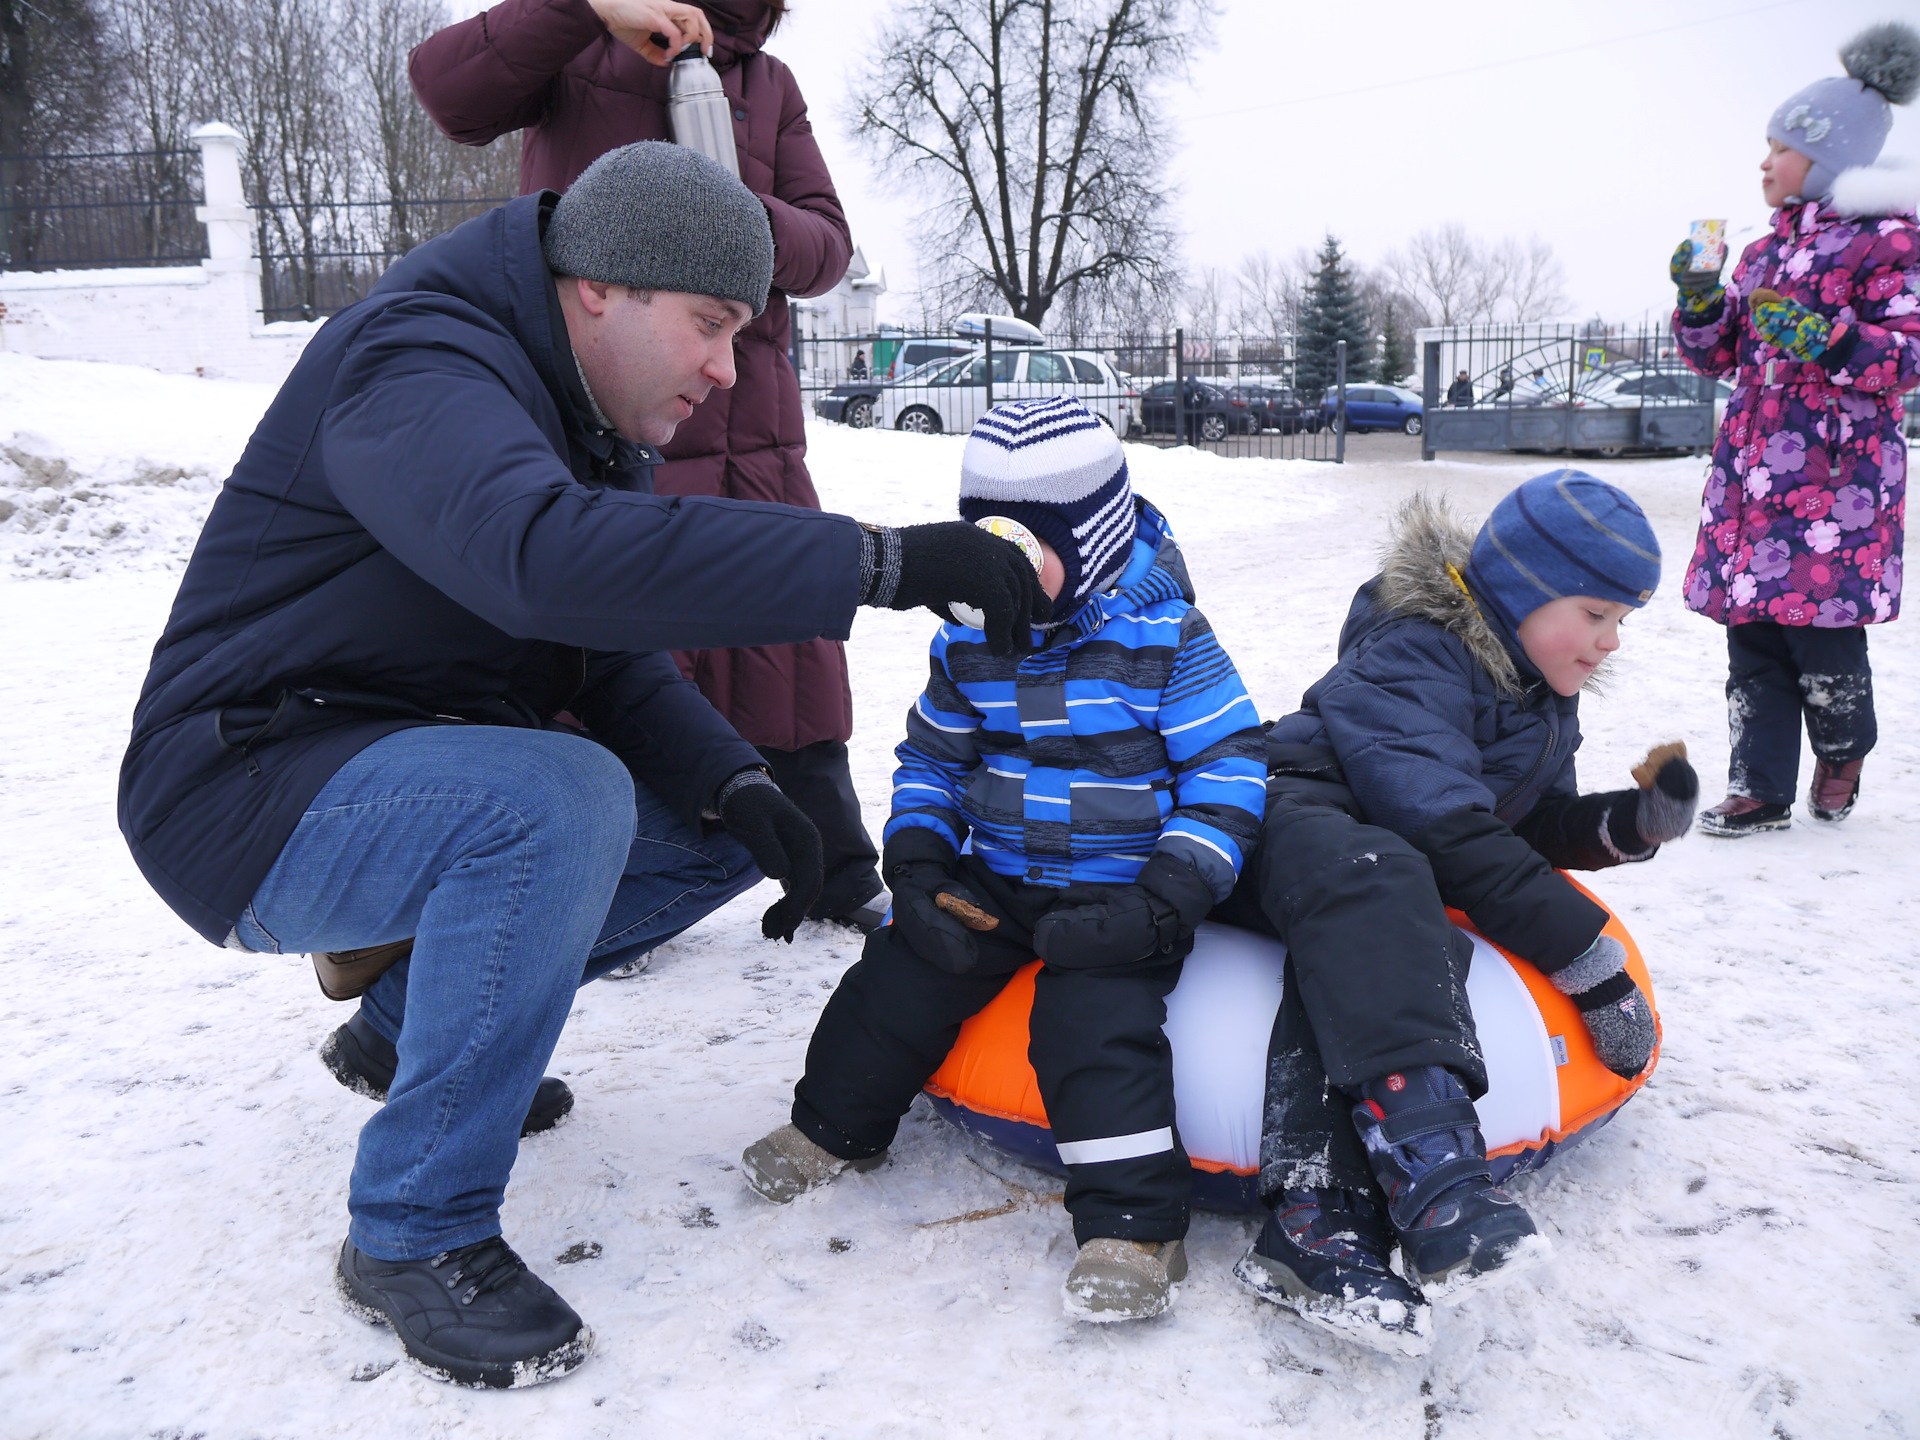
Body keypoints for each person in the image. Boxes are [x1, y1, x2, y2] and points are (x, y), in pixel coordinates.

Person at [116, 143, 1049, 1391]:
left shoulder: (575, 415)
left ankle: (397, 1035)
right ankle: (414, 1232)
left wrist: (738, 788)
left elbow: (598, 654)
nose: (727, 371)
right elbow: (541, 559)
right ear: (601, 287)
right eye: (712, 326)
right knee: (558, 801)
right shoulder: (418, 361)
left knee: (716, 812)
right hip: (240, 790)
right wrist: (878, 564)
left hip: (393, 763)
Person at [737, 397, 1267, 1322]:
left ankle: (1135, 1230)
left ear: (1094, 541)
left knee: (1093, 1030)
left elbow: (1229, 774)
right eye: (988, 546)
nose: (1003, 572)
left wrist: (1166, 895)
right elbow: (934, 757)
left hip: (1121, 888)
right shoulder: (968, 638)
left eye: (1030, 549)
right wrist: (920, 857)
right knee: (901, 968)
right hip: (1000, 873)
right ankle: (834, 1128)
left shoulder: (1167, 639)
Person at [412, 0, 888, 928]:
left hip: (745, 407)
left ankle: (834, 865)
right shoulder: (577, 44)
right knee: (607, 636)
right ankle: (595, 886)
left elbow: (827, 245)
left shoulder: (766, 84)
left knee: (783, 637)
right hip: (602, 399)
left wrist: (734, 222)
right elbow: (450, 92)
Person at [1215, 472, 1696, 1357]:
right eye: (1594, 613)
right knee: (1383, 873)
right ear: (1522, 589)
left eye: (1622, 620)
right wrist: (1587, 964)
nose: (1608, 642)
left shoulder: (1537, 693)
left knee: (1394, 926)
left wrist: (1625, 826)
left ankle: (1315, 1231)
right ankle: (1438, 1178)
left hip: (1372, 865)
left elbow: (1525, 822)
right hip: (1284, 811)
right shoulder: (1417, 652)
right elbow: (1445, 822)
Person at [1670, 21, 1918, 836]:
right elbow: (1724, 355)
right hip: (1753, 482)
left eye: (1778, 147)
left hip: (1835, 486)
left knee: (1823, 643)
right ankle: (1759, 785)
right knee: (1753, 645)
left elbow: (1906, 354)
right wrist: (1705, 302)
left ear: (1828, 155)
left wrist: (1832, 339)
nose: (1764, 162)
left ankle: (1842, 751)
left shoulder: (1891, 243)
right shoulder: (1760, 253)